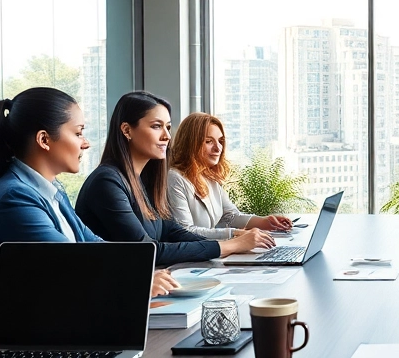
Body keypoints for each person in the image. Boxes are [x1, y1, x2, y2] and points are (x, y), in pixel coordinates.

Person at [0, 87, 178, 296]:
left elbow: (93, 243)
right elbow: (71, 264)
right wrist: (138, 280)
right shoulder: (14, 197)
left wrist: (141, 274)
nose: (86, 143)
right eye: (78, 133)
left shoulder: (51, 189)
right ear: (44, 140)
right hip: (11, 328)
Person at [76, 92, 271, 267]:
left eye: (168, 127)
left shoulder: (141, 180)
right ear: (127, 130)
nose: (167, 136)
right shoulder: (107, 182)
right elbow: (148, 251)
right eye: (156, 126)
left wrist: (233, 240)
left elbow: (173, 231)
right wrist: (229, 245)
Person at [167, 112, 289, 240]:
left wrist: (265, 222)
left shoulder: (209, 178)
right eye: (209, 141)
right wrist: (235, 234)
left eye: (220, 141)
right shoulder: (175, 178)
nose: (218, 148)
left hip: (209, 252)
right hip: (191, 258)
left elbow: (230, 216)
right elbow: (185, 231)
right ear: (190, 144)